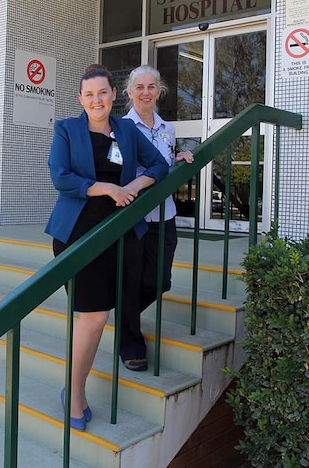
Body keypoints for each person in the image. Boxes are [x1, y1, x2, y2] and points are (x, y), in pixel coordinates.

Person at [45, 66, 168, 431]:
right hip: (79, 233)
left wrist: (134, 184)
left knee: (107, 309)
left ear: (114, 94)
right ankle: (76, 391)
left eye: (102, 93)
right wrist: (109, 189)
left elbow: (159, 165)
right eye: (89, 95)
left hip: (122, 233)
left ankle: (77, 385)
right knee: (95, 316)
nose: (96, 100)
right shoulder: (67, 130)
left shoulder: (128, 130)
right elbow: (61, 177)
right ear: (80, 99)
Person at [120, 65, 194, 371]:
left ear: (159, 91)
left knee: (159, 280)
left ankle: (126, 315)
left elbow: (162, 163)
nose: (146, 92)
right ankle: (130, 343)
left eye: (151, 87)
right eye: (140, 87)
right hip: (134, 216)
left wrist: (177, 159)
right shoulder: (121, 128)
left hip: (165, 215)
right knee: (131, 279)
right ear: (129, 92)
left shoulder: (167, 129)